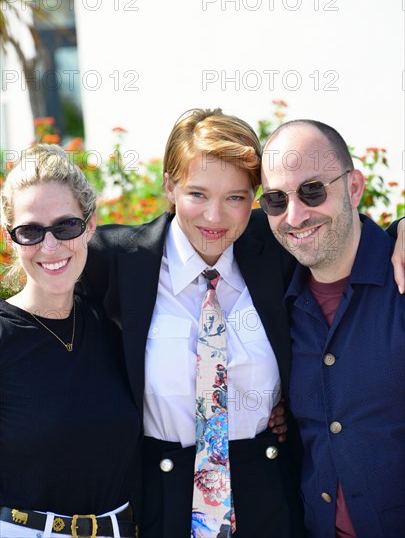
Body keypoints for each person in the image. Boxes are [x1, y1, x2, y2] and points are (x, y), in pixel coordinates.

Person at [82, 108, 304, 538]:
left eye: (236, 197)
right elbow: (48, 254)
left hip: (268, 492)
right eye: (197, 194)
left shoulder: (275, 249)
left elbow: (342, 233)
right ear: (169, 185)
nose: (215, 217)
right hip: (161, 497)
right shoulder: (118, 261)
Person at [259, 119, 405, 538]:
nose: (295, 215)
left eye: (312, 190)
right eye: (274, 199)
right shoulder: (276, 306)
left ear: (355, 187)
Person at [0, 145, 141, 538]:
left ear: (90, 226)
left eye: (66, 226)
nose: (50, 246)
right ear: (10, 238)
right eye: (30, 231)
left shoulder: (112, 322)